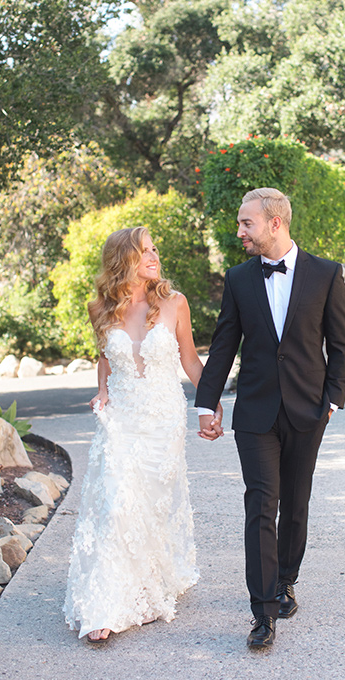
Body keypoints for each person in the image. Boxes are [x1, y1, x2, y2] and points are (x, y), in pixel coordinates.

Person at [196, 188, 345, 650]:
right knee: (261, 505)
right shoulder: (238, 279)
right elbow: (224, 344)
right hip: (256, 413)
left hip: (309, 409)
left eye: (247, 223)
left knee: (296, 502)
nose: (239, 231)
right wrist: (207, 403)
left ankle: (286, 580)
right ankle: (263, 614)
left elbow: (341, 345)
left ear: (275, 223)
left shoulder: (325, 274)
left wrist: (333, 401)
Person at [63, 226, 222, 644]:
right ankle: (106, 604)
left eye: (155, 248)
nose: (154, 257)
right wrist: (101, 391)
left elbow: (189, 357)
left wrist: (209, 403)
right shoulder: (100, 307)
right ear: (123, 261)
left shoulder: (174, 303)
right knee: (116, 502)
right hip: (120, 420)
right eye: (145, 251)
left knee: (149, 505)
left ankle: (149, 580)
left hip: (161, 421)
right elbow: (105, 357)